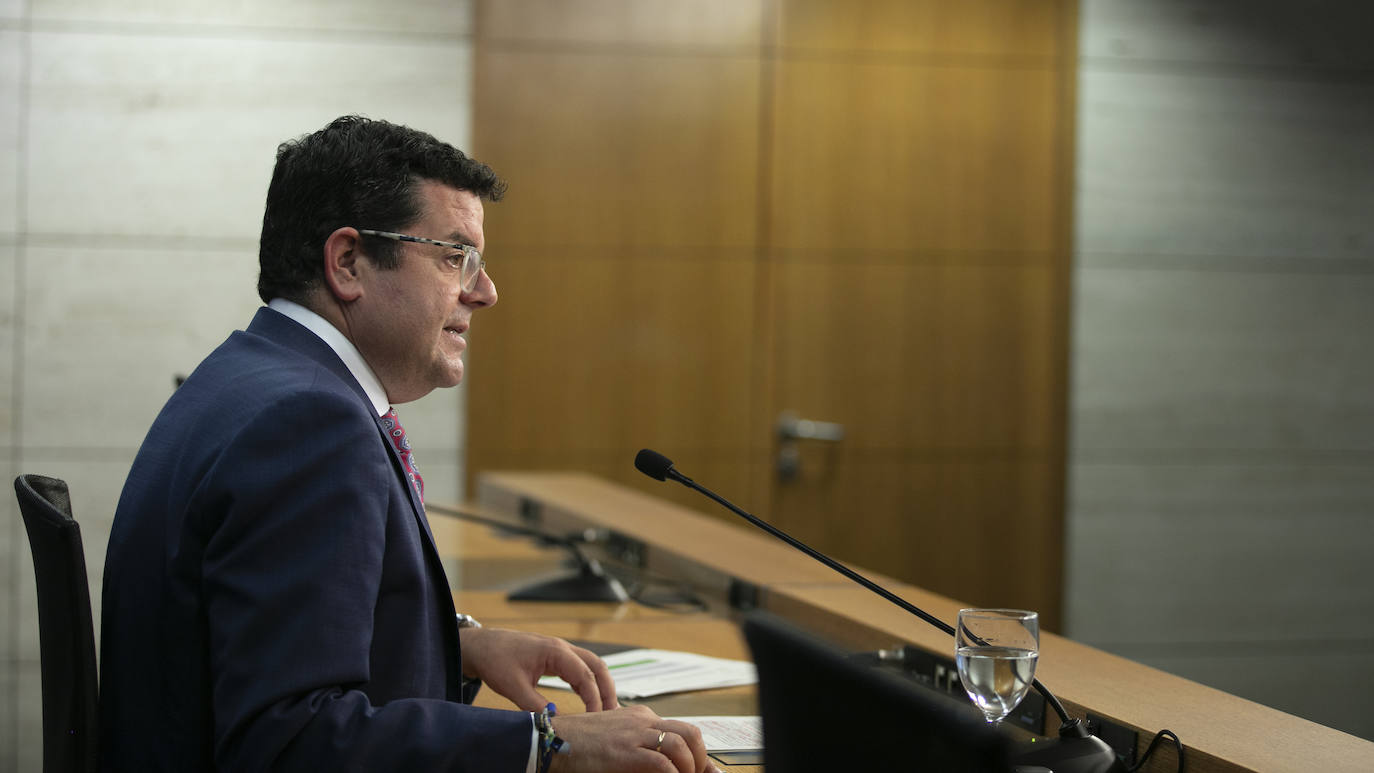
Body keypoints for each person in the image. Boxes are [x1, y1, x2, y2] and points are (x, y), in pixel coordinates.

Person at [100, 116, 715, 773]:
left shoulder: (250, 374)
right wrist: (547, 745)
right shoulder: (310, 424)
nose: (485, 291)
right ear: (348, 262)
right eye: (455, 256)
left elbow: (266, 643)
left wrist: (459, 647)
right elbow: (289, 744)